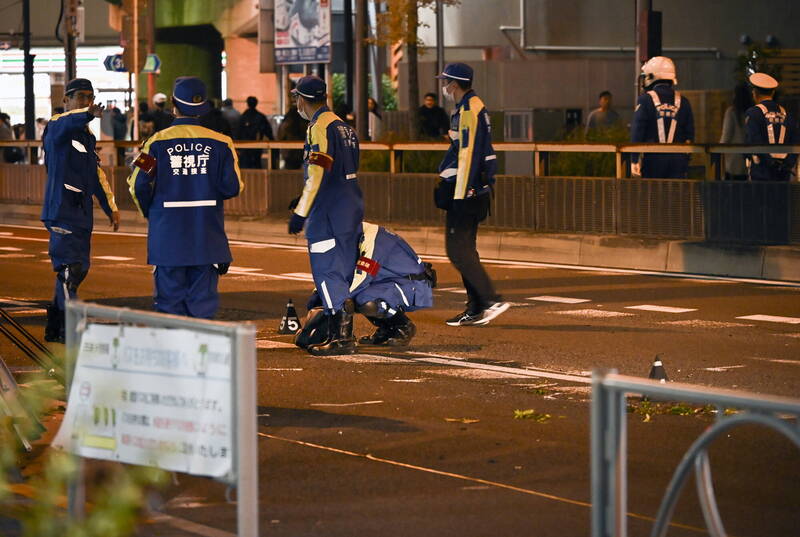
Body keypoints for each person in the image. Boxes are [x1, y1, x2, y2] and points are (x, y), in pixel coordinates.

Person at [128, 76, 243, 318]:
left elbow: (137, 184)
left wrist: (153, 212)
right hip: (207, 237)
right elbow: (233, 187)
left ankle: (175, 352)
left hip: (167, 236)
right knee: (203, 308)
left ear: (173, 103)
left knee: (170, 306)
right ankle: (200, 353)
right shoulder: (222, 143)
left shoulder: (154, 143)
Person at [288, 75, 363, 355]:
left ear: (303, 99)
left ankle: (341, 338)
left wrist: (301, 210)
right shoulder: (345, 127)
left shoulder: (318, 127)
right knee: (342, 269)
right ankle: (339, 334)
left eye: (296, 98)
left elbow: (317, 171)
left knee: (327, 269)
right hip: (350, 204)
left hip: (328, 210)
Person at [40, 78, 120, 342]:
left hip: (80, 214)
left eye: (90, 97)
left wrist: (110, 207)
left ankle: (56, 326)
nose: (87, 101)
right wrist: (86, 114)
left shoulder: (86, 135)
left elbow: (94, 174)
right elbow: (66, 121)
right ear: (66, 100)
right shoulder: (57, 126)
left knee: (77, 268)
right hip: (62, 209)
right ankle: (70, 324)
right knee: (69, 267)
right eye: (81, 96)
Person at [434, 62, 509, 327]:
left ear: (454, 84)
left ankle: (488, 300)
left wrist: (460, 193)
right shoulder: (472, 107)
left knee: (458, 250)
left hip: (467, 191)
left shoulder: (468, 109)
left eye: (446, 82)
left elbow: (468, 155)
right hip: (475, 189)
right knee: (464, 249)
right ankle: (476, 307)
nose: (444, 87)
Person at [296, 222, 435, 349]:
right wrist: (318, 296)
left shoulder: (373, 239)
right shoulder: (352, 236)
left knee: (364, 299)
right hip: (389, 282)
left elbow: (362, 278)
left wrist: (334, 305)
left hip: (413, 286)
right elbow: (338, 275)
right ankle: (387, 329)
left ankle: (403, 326)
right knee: (351, 296)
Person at [631, 56, 695, 179]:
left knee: (653, 196)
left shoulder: (645, 100)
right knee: (676, 196)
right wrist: (685, 158)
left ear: (651, 76)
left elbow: (637, 130)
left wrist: (634, 158)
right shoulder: (684, 101)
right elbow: (690, 135)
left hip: (652, 159)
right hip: (678, 160)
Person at [744, 72, 797, 181]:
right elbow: (796, 140)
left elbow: (753, 140)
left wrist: (770, 162)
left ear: (754, 92)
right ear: (773, 92)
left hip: (761, 172)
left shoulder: (753, 113)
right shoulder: (786, 113)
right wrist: (788, 163)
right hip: (784, 173)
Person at [719, 83, 752, 181]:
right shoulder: (752, 112)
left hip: (733, 160)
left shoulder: (732, 112)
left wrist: (717, 149)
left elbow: (726, 136)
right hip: (749, 159)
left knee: (733, 192)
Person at [239, 96, 274, 168]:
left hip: (244, 148)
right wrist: (272, 141)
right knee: (256, 166)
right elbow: (268, 131)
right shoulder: (260, 117)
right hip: (257, 148)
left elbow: (238, 132)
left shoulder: (243, 117)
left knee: (245, 169)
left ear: (247, 104)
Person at [276, 104, 307, 169]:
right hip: (301, 152)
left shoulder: (287, 121)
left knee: (289, 172)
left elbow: (280, 135)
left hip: (289, 153)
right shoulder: (304, 120)